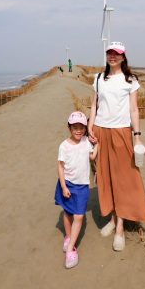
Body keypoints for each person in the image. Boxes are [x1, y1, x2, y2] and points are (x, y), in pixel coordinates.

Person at [88, 41, 145, 252]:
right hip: (100, 131)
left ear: (123, 57)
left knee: (123, 178)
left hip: (121, 132)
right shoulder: (98, 79)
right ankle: (113, 219)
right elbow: (94, 105)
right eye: (109, 53)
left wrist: (137, 137)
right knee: (106, 177)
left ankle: (121, 228)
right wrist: (90, 128)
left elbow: (134, 110)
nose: (112, 56)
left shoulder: (130, 80)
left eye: (117, 53)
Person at [55, 111, 98, 269]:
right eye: (75, 127)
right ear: (69, 128)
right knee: (67, 212)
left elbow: (92, 157)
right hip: (67, 184)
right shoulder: (64, 146)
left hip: (82, 186)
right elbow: (60, 167)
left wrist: (97, 144)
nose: (78, 130)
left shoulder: (87, 142)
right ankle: (68, 237)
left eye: (81, 127)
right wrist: (64, 186)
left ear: (85, 128)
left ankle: (71, 249)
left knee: (78, 217)